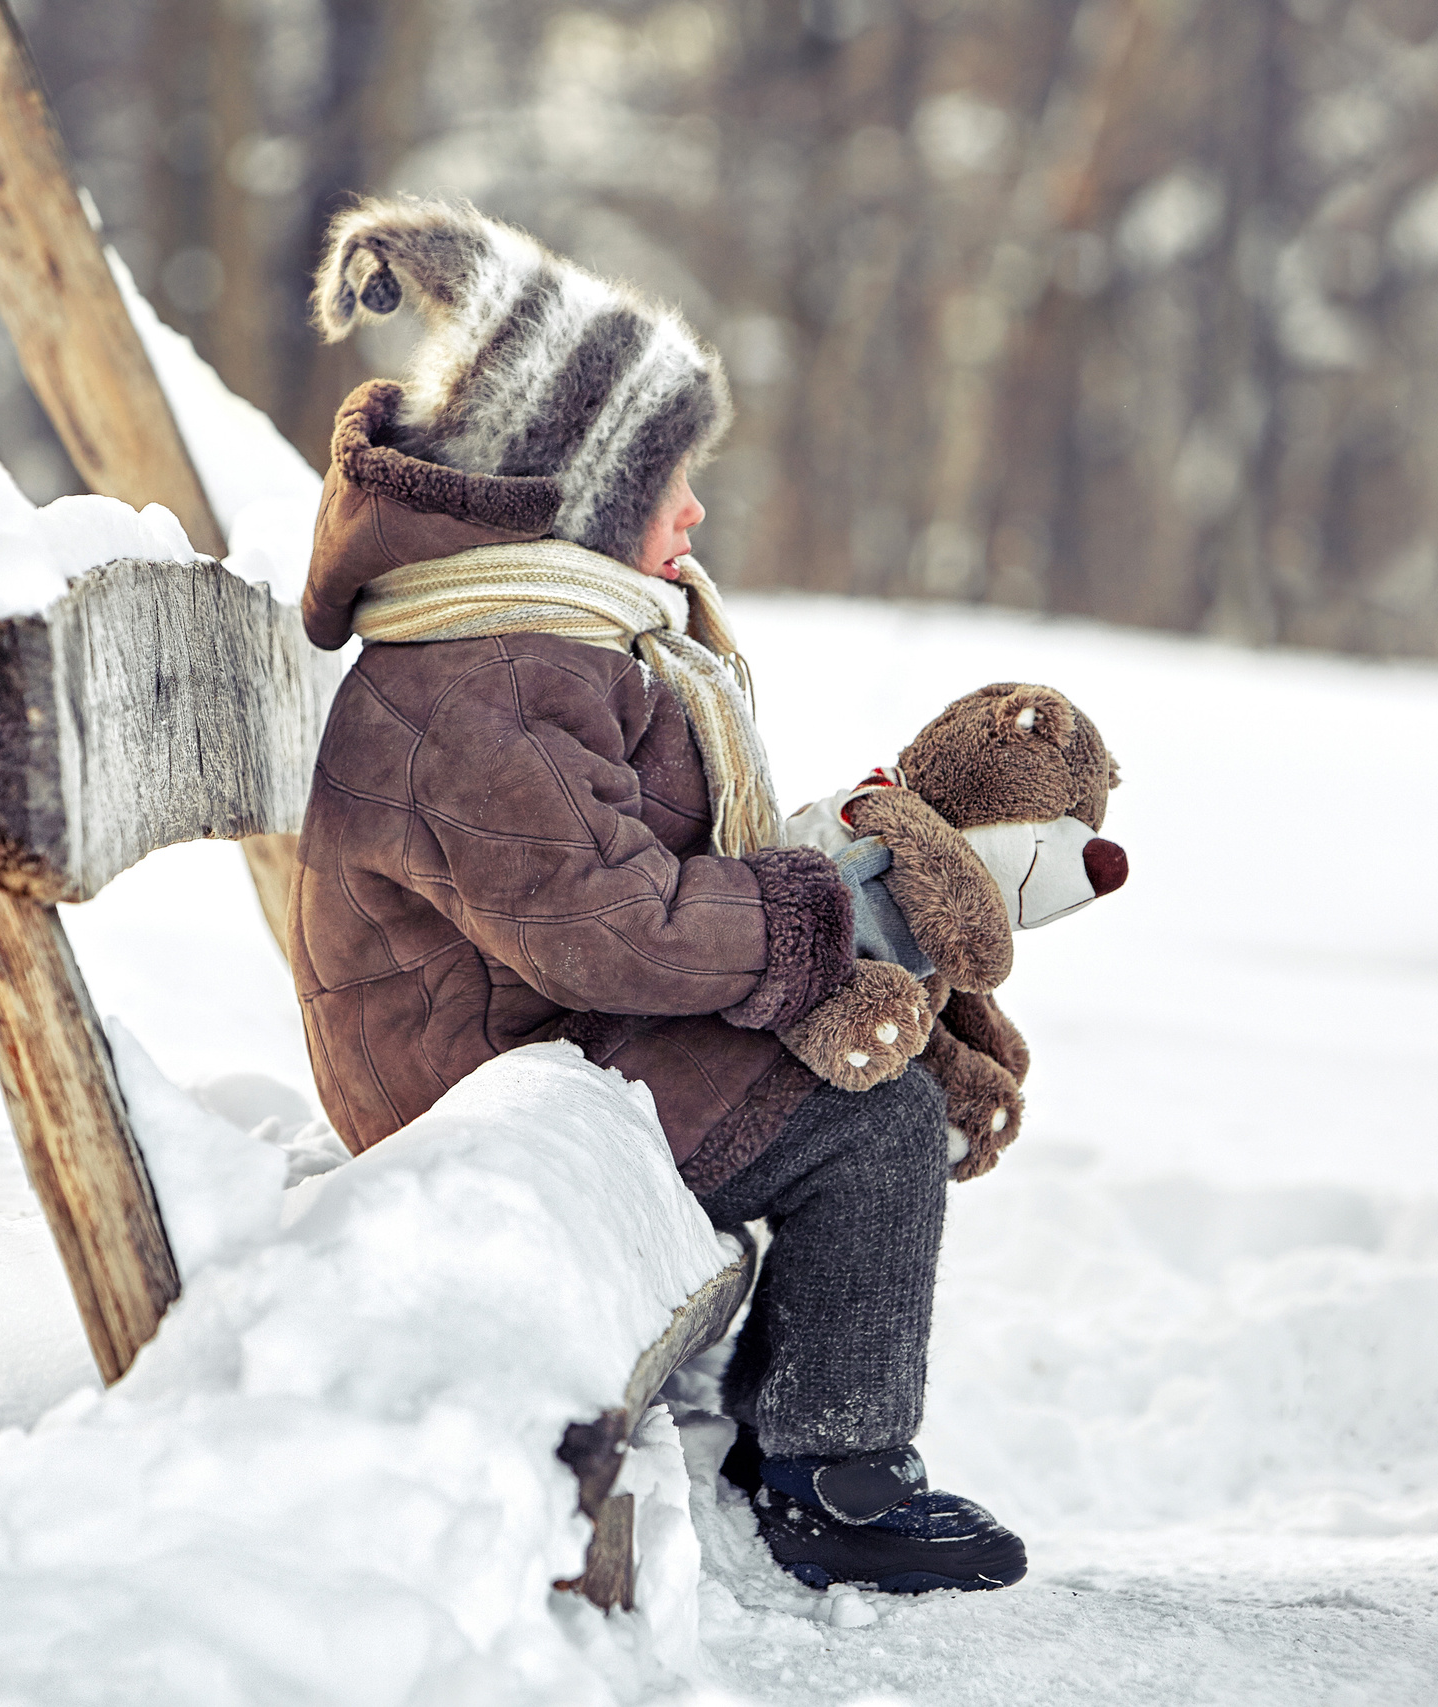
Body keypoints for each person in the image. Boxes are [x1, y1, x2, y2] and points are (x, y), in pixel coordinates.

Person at [286, 198, 1025, 1595]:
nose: (694, 513)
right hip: (486, 1085)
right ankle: (829, 1471)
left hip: (536, 1040)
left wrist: (841, 873)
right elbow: (606, 921)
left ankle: (797, 1429)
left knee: (875, 1060)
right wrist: (817, 928)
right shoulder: (489, 679)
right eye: (671, 480)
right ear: (589, 491)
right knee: (869, 1119)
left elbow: (630, 871)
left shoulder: (535, 634)